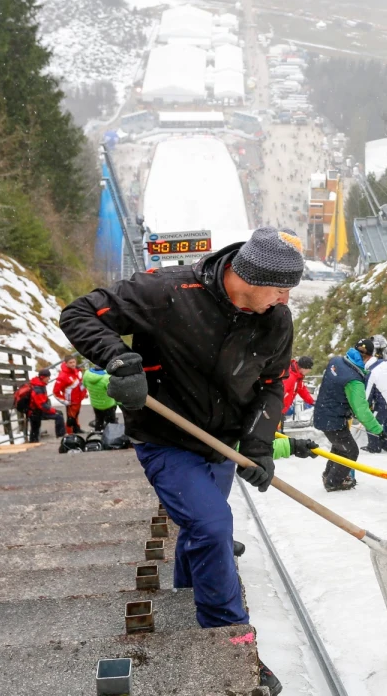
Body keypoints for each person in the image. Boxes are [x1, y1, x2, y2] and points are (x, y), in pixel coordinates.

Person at [60, 226, 311, 696]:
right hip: (167, 439)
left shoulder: (275, 319)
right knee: (214, 527)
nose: (284, 299)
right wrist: (118, 360)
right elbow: (78, 314)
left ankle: (183, 601)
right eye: (279, 288)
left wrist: (256, 445)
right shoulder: (168, 292)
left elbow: (272, 383)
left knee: (200, 533)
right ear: (248, 276)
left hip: (221, 445)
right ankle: (228, 639)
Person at [312, 337, 384, 490]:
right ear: (369, 357)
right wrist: (378, 430)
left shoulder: (336, 361)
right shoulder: (354, 380)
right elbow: (362, 411)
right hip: (333, 420)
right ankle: (334, 482)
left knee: (340, 447)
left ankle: (328, 475)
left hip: (323, 413)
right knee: (351, 451)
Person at [26, 368, 65, 442]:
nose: (49, 379)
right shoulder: (38, 388)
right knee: (58, 416)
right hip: (36, 412)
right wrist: (53, 410)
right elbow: (42, 405)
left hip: (34, 411)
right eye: (48, 377)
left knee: (35, 429)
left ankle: (33, 443)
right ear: (43, 377)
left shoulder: (39, 385)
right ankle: (61, 437)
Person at [52, 356, 86, 434]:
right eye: (70, 363)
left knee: (76, 415)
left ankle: (77, 429)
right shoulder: (62, 376)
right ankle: (69, 434)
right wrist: (65, 401)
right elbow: (55, 392)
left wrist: (84, 393)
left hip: (78, 398)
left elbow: (79, 384)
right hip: (70, 401)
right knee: (71, 418)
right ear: (66, 363)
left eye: (74, 362)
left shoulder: (76, 371)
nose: (73, 364)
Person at [81, 363, 117, 429]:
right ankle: (110, 436)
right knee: (111, 422)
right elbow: (113, 391)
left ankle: (98, 432)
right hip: (108, 404)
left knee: (99, 420)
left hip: (95, 404)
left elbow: (84, 385)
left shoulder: (87, 374)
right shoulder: (106, 378)